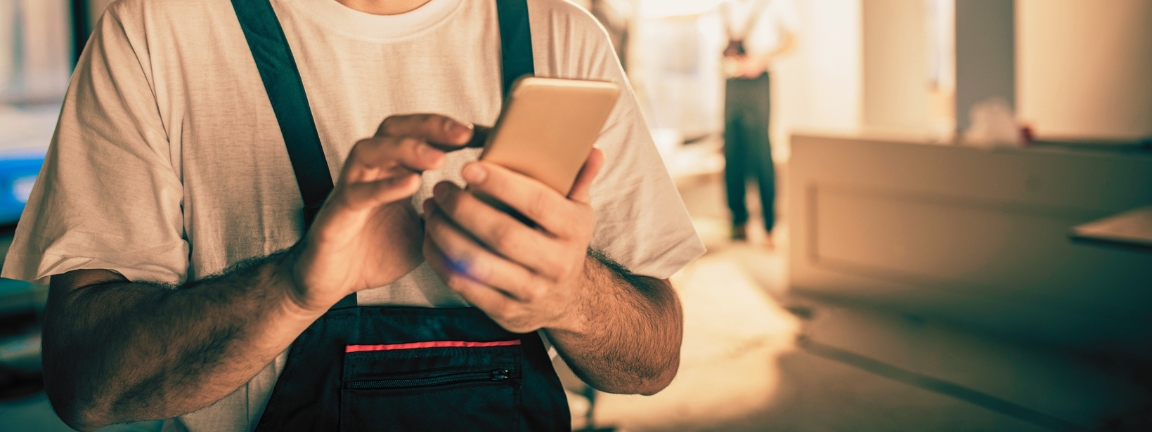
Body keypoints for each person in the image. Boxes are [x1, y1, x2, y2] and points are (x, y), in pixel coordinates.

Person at [0, 0, 705, 430]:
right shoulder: (152, 35)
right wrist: (293, 287)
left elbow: (655, 360)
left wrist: (571, 295)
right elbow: (85, 385)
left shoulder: (562, 38)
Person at [719, 0, 798, 247]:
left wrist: (760, 59)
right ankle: (738, 221)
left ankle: (769, 225)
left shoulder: (777, 4)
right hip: (732, 78)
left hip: (757, 80)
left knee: (760, 153)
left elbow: (792, 40)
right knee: (732, 152)